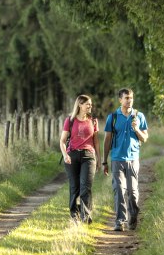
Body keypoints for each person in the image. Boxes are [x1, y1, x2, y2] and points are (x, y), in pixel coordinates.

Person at [103, 88, 148, 231]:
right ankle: (120, 221)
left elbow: (145, 138)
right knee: (119, 190)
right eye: (126, 98)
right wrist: (104, 160)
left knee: (133, 192)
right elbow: (107, 140)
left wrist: (136, 129)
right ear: (120, 100)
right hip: (116, 159)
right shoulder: (113, 117)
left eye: (131, 98)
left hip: (133, 159)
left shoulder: (139, 116)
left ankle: (133, 216)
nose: (129, 100)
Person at [60, 94, 101, 223]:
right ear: (80, 105)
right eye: (87, 103)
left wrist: (99, 160)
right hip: (72, 156)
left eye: (91, 104)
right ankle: (74, 215)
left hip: (89, 156)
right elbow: (62, 141)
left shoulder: (93, 121)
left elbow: (96, 142)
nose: (90, 106)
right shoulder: (70, 121)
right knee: (75, 187)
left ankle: (86, 216)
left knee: (86, 187)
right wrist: (65, 155)